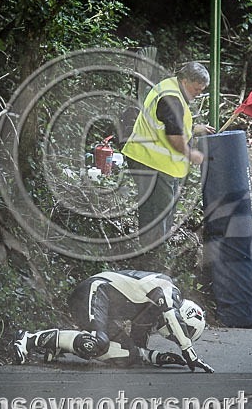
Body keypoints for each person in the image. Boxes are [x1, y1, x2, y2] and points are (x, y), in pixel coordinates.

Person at [12, 270, 213, 373]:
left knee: (128, 356)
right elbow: (171, 314)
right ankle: (30, 339)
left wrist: (157, 357)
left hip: (102, 307)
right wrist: (189, 352)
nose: (171, 337)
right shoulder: (168, 289)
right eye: (178, 334)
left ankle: (57, 345)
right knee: (98, 342)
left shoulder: (149, 314)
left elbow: (136, 350)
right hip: (95, 290)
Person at [122, 61, 215, 249]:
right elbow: (173, 135)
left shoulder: (171, 88)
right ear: (185, 80)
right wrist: (191, 154)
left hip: (154, 161)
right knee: (156, 214)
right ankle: (152, 258)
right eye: (197, 89)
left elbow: (170, 123)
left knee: (162, 210)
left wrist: (195, 128)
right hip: (151, 162)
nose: (198, 94)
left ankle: (157, 251)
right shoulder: (171, 98)